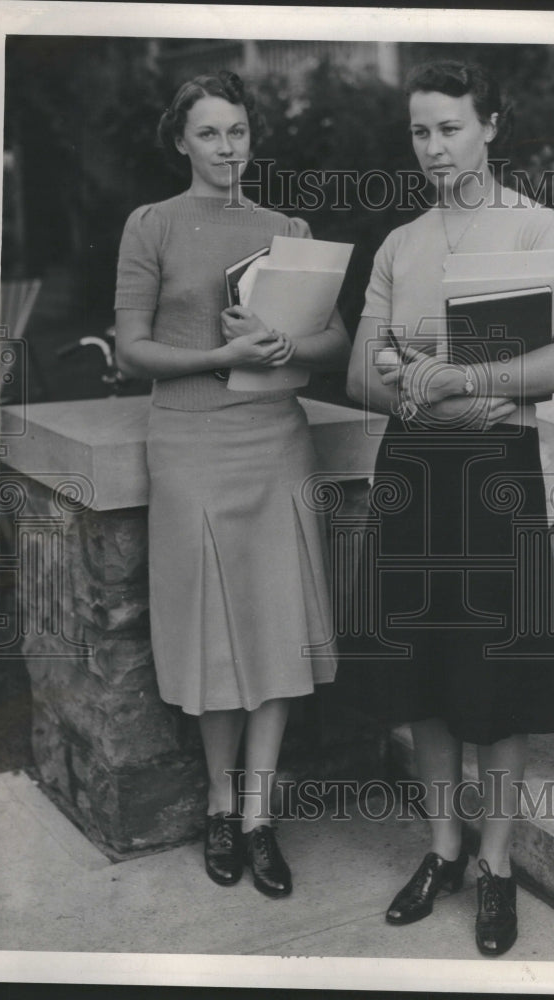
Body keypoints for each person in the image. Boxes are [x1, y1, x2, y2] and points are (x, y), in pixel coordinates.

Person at [345, 59, 554, 956]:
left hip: (494, 473)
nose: (433, 145)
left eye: (449, 126)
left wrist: (470, 377)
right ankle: (442, 850)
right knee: (425, 673)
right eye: (419, 130)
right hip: (413, 468)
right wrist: (420, 393)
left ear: (491, 125)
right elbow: (353, 375)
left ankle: (496, 865)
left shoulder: (535, 227)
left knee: (498, 675)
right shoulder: (401, 242)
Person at [114, 71, 349, 898]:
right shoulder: (152, 226)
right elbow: (133, 347)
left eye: (237, 133)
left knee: (276, 623)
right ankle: (219, 802)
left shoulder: (285, 228)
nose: (225, 148)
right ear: (180, 139)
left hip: (274, 442)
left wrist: (288, 348)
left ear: (252, 138)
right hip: (189, 445)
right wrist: (220, 358)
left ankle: (258, 815)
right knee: (213, 627)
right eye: (209, 133)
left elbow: (334, 338)